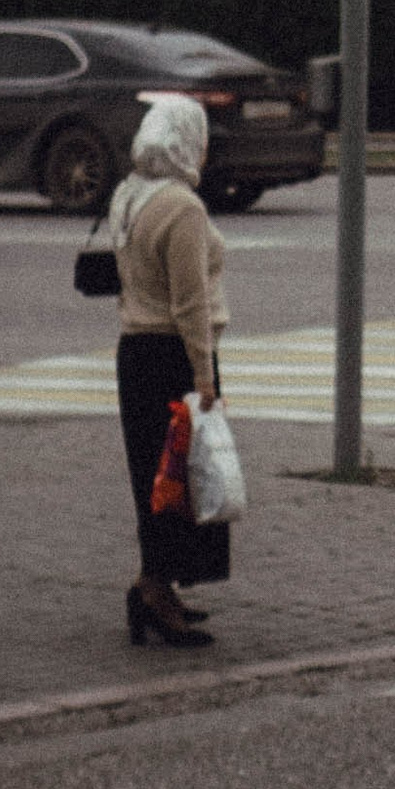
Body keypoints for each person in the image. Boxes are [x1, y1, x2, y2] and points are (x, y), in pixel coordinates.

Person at [111, 97, 228, 647]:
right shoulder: (182, 208)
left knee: (154, 481)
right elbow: (190, 303)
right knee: (180, 482)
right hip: (174, 358)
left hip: (136, 353)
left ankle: (155, 587)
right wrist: (204, 377)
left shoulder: (128, 195)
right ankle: (155, 594)